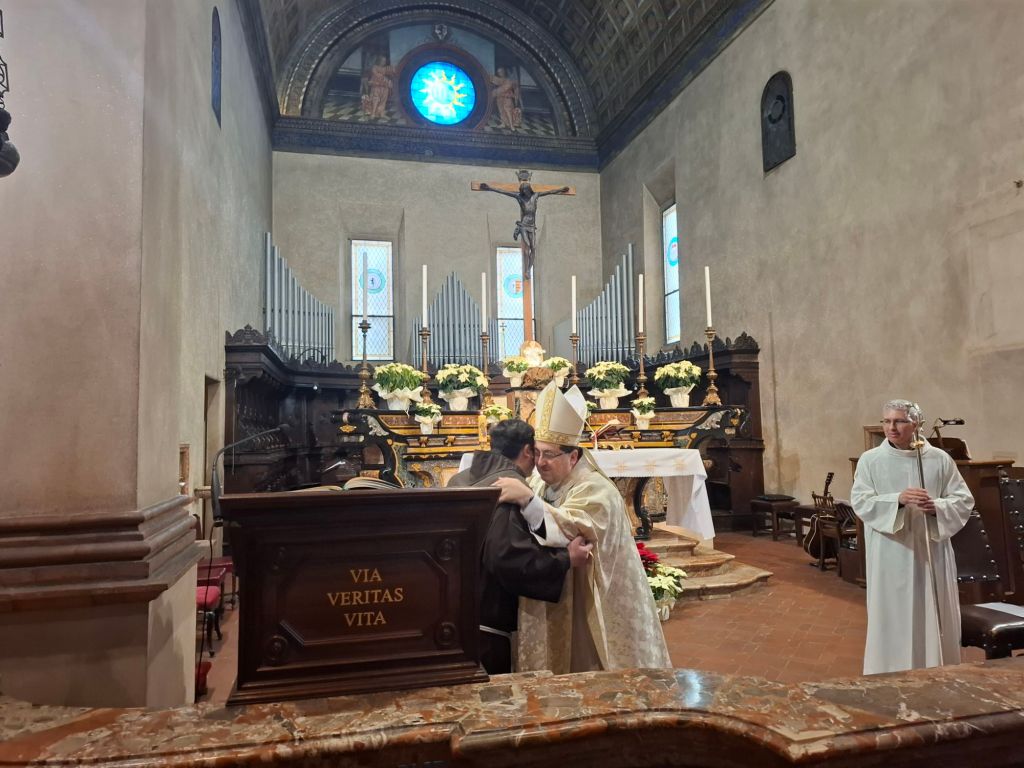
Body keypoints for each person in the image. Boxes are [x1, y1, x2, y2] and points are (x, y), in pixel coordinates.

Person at [493, 383, 671, 673]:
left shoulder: (597, 489)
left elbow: (572, 529)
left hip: (590, 604)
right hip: (554, 592)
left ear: (573, 456)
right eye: (536, 453)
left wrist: (527, 499)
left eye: (549, 454)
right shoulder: (540, 481)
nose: (540, 463)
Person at [448, 418, 592, 674]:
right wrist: (565, 559)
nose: (539, 461)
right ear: (527, 451)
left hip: (451, 615)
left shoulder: (459, 479)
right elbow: (506, 557)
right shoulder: (509, 486)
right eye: (537, 452)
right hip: (486, 627)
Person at [851, 399, 973, 674]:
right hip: (891, 551)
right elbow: (861, 501)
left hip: (931, 551)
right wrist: (898, 500)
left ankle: (937, 672)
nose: (891, 427)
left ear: (916, 424)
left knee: (932, 609)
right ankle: (888, 672)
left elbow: (963, 500)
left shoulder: (939, 459)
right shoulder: (871, 460)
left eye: (899, 421)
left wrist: (936, 507)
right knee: (893, 615)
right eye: (887, 421)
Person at [476, 170, 570, 275]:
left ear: (529, 190)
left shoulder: (535, 196)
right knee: (527, 248)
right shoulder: (519, 197)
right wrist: (489, 188)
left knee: (533, 248)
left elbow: (550, 192)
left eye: (525, 190)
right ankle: (526, 269)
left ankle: (528, 269)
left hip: (532, 226)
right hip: (524, 226)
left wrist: (561, 190)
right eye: (523, 190)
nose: (524, 192)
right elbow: (503, 191)